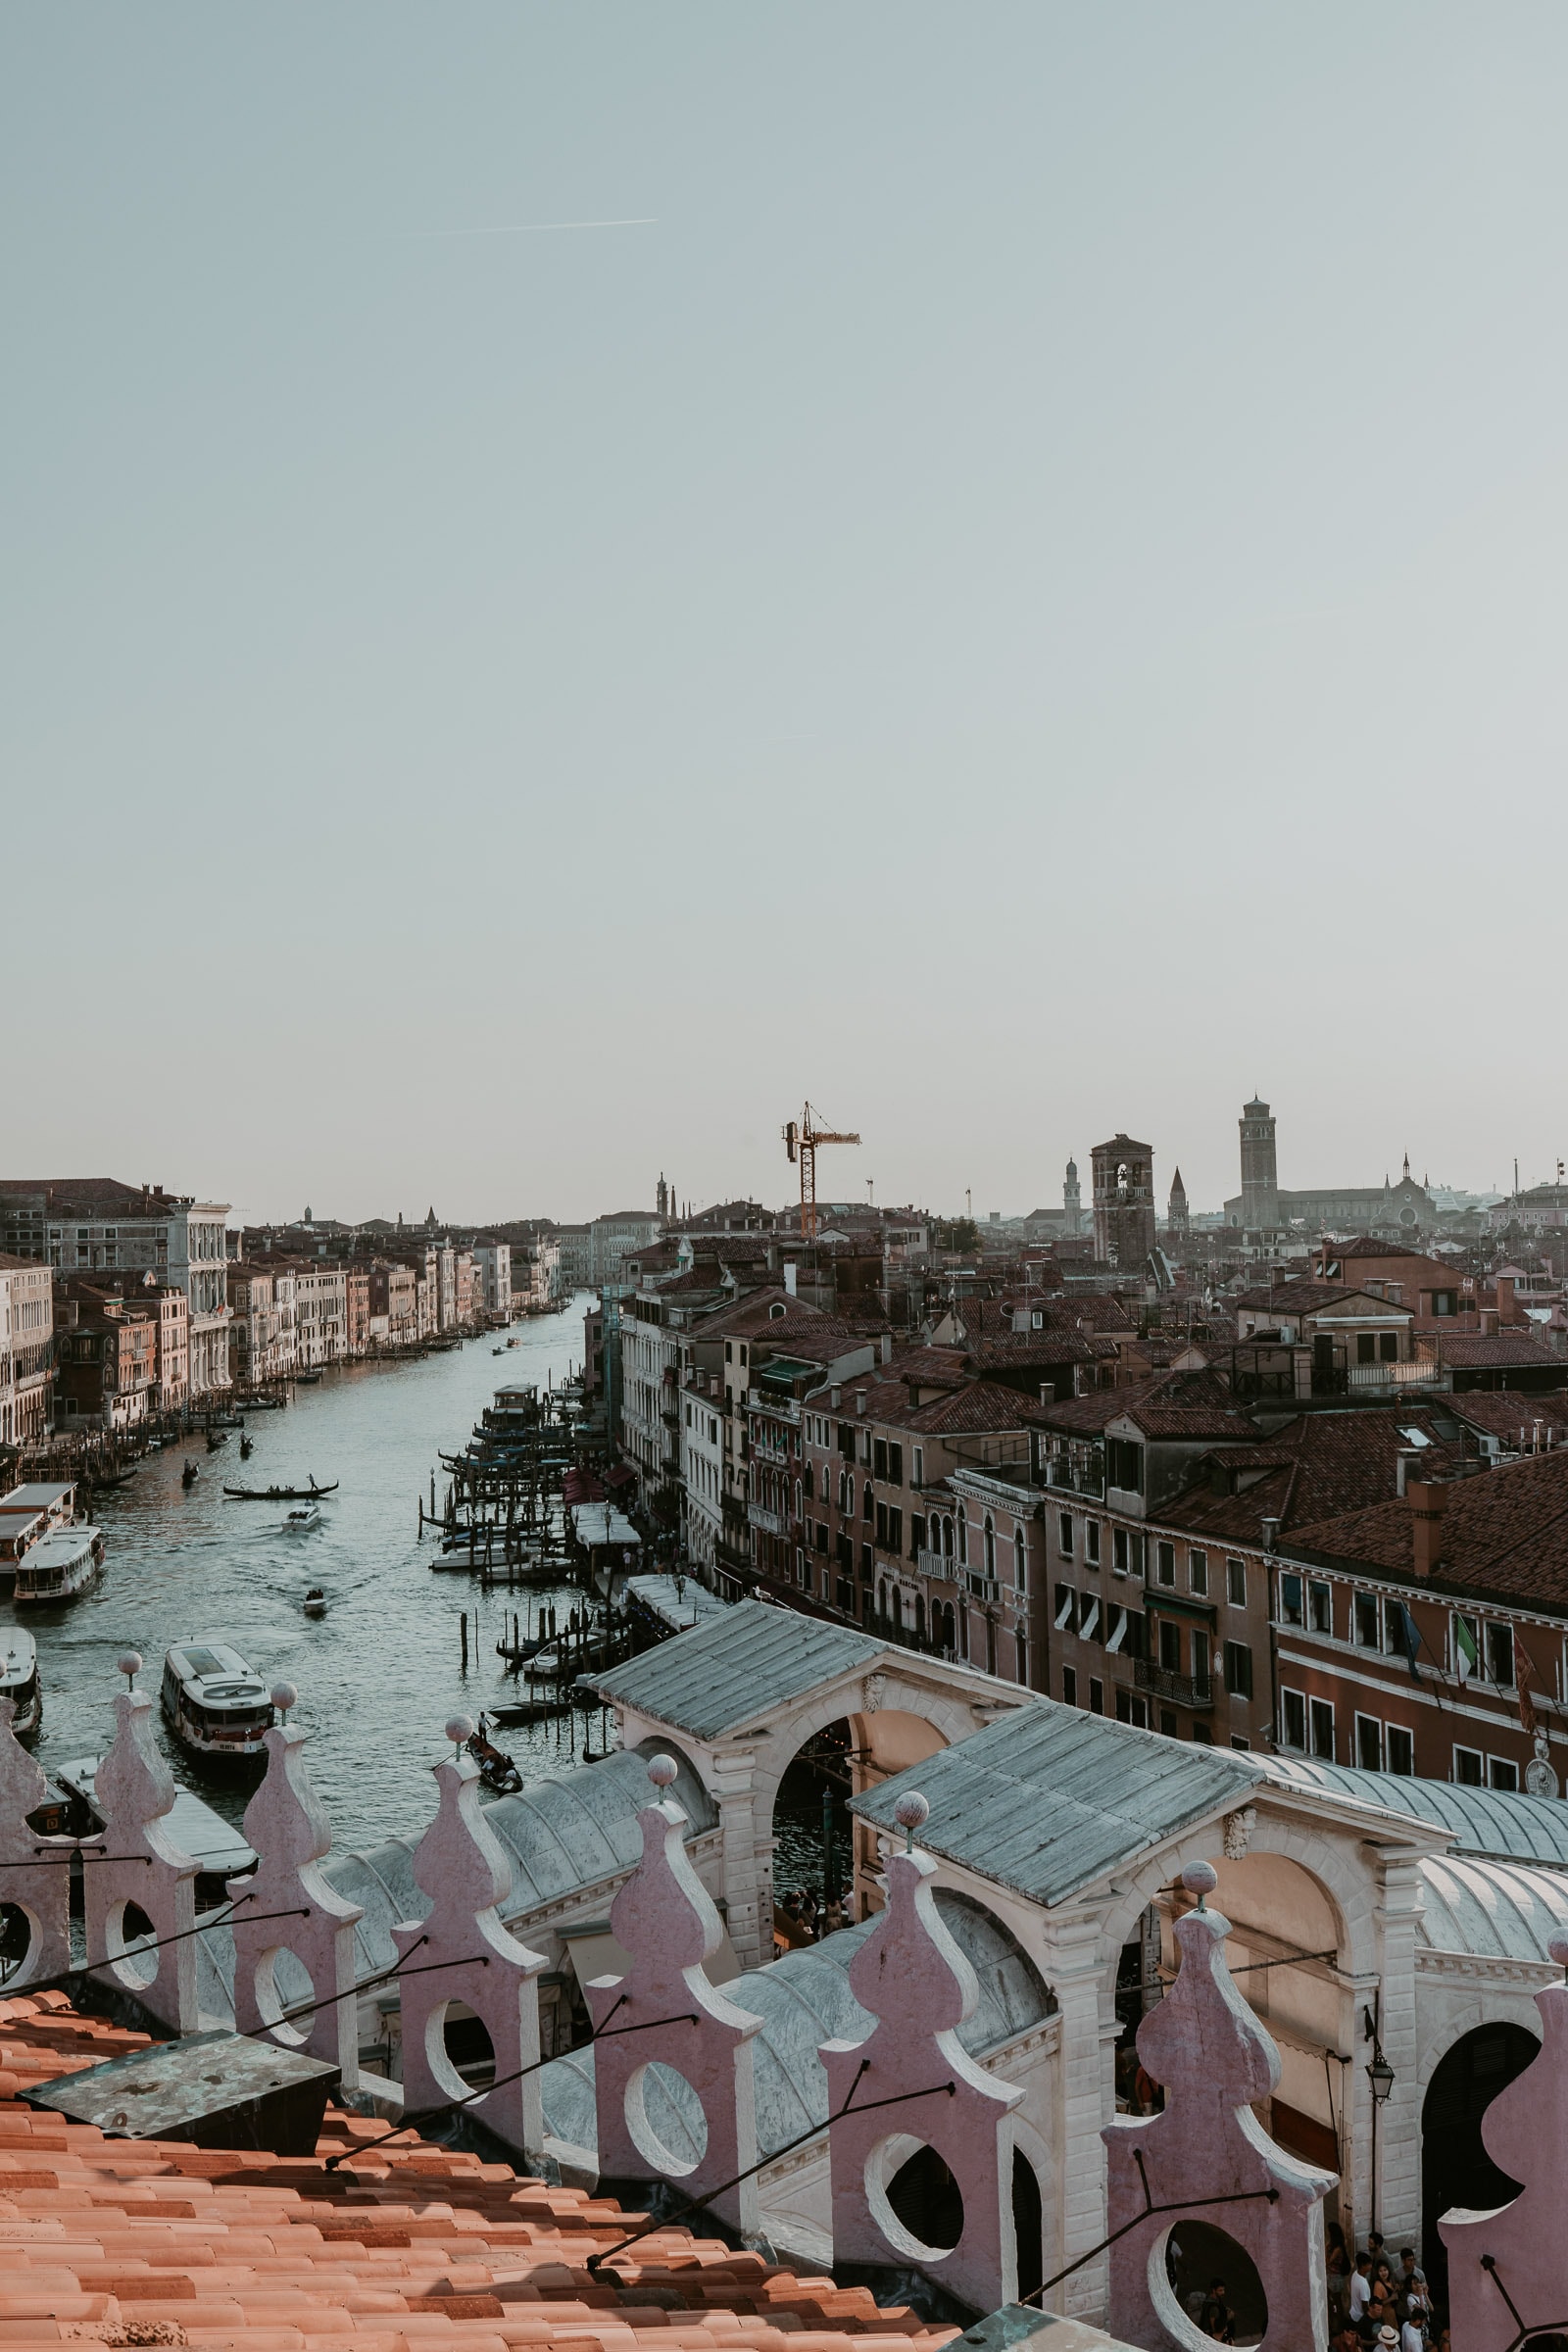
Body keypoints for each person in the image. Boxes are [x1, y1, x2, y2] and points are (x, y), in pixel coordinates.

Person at [1199, 2279, 1233, 2343]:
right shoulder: (1214, 2308)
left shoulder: (1216, 2299)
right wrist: (1227, 2317)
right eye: (1220, 2290)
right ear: (1214, 2290)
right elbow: (1214, 2327)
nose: (1223, 2292)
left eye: (1223, 2290)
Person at [1349, 2254, 1374, 2328]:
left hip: (1353, 2313)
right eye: (1369, 2264)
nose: (1371, 2266)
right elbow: (1365, 2305)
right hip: (1360, 2318)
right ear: (1363, 2266)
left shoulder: (1355, 2273)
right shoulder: (1363, 2284)